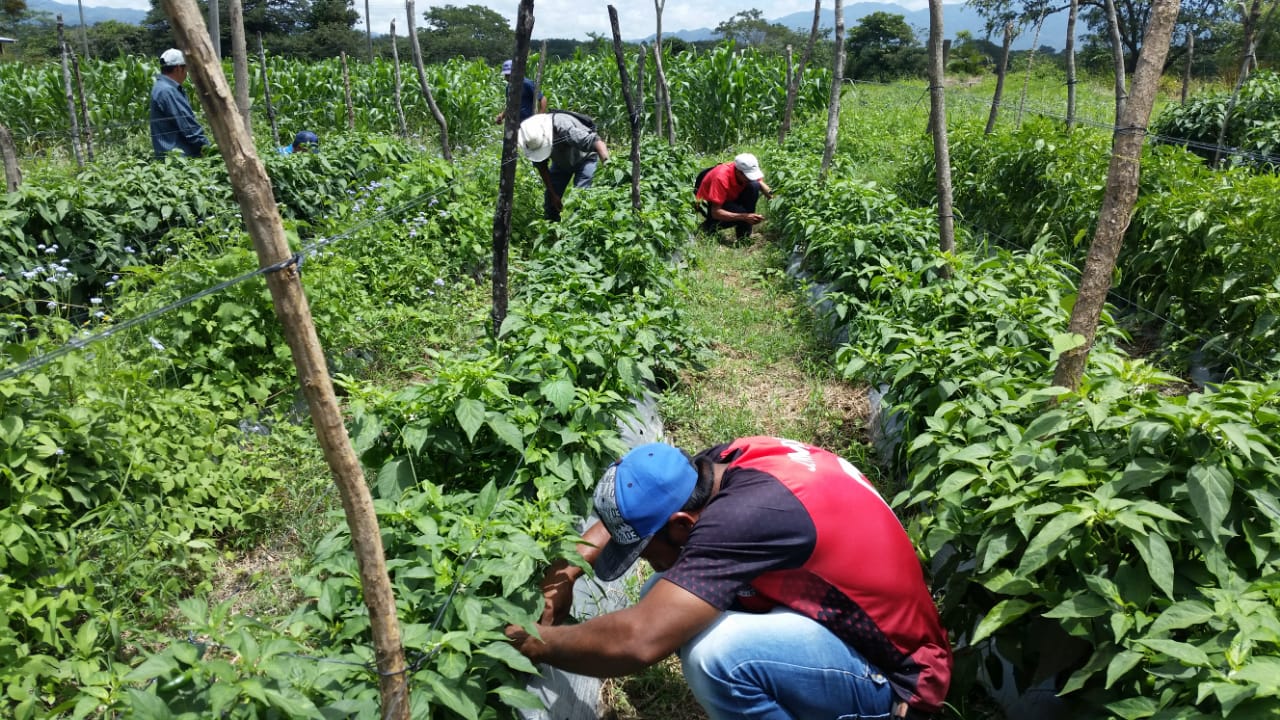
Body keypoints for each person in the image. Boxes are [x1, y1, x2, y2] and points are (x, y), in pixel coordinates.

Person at [506, 438, 953, 720]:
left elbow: (638, 642)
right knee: (661, 597)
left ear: (682, 524)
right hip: (850, 625)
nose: (649, 562)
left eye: (647, 551)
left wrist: (531, 640)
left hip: (897, 679)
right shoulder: (723, 466)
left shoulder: (744, 519)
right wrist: (562, 575)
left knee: (717, 656)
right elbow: (633, 504)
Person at [517, 112, 608, 222]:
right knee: (550, 202)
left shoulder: (562, 126)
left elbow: (596, 142)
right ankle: (551, 233)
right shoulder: (530, 139)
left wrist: (609, 167)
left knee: (580, 198)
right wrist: (553, 195)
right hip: (561, 163)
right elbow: (542, 167)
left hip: (585, 159)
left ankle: (579, 232)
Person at [695, 153, 776, 241]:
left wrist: (775, 200)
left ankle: (744, 237)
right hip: (713, 204)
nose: (750, 179)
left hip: (729, 197)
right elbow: (716, 212)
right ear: (738, 172)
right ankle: (707, 227)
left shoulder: (743, 169)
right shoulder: (720, 177)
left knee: (754, 186)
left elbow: (761, 184)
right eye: (748, 176)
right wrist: (744, 216)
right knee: (742, 213)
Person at [149, 48, 209, 159]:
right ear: (178, 68)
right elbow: (189, 128)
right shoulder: (168, 91)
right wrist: (210, 149)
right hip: (179, 161)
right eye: (186, 68)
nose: (186, 72)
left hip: (170, 158)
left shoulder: (161, 87)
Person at [494, 59, 548, 125]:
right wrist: (502, 116)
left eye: (509, 75)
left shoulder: (527, 84)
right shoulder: (509, 87)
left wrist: (539, 118)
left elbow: (543, 99)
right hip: (514, 123)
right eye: (506, 75)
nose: (507, 77)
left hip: (529, 122)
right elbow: (510, 106)